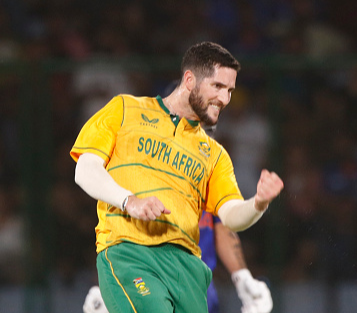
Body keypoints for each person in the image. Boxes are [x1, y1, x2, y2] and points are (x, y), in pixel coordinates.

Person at [70, 41, 283, 313]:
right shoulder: (124, 109)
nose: (225, 99)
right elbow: (85, 169)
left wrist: (258, 203)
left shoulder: (215, 153)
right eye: (217, 87)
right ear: (190, 80)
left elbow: (229, 216)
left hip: (190, 271)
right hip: (131, 253)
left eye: (230, 90)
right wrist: (129, 201)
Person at [82, 211, 273, 313]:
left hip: (198, 289)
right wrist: (110, 284)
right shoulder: (146, 155)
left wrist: (242, 278)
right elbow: (117, 224)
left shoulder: (209, 162)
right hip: (148, 280)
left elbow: (221, 224)